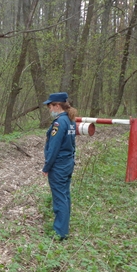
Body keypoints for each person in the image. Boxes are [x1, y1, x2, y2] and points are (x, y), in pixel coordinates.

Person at [42, 92, 77, 240]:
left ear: (57, 105)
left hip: (59, 165)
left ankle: (60, 233)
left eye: (50, 106)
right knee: (65, 194)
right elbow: (72, 144)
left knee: (59, 197)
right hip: (67, 163)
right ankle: (64, 227)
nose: (50, 109)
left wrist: (47, 167)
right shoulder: (70, 121)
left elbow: (54, 147)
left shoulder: (59, 123)